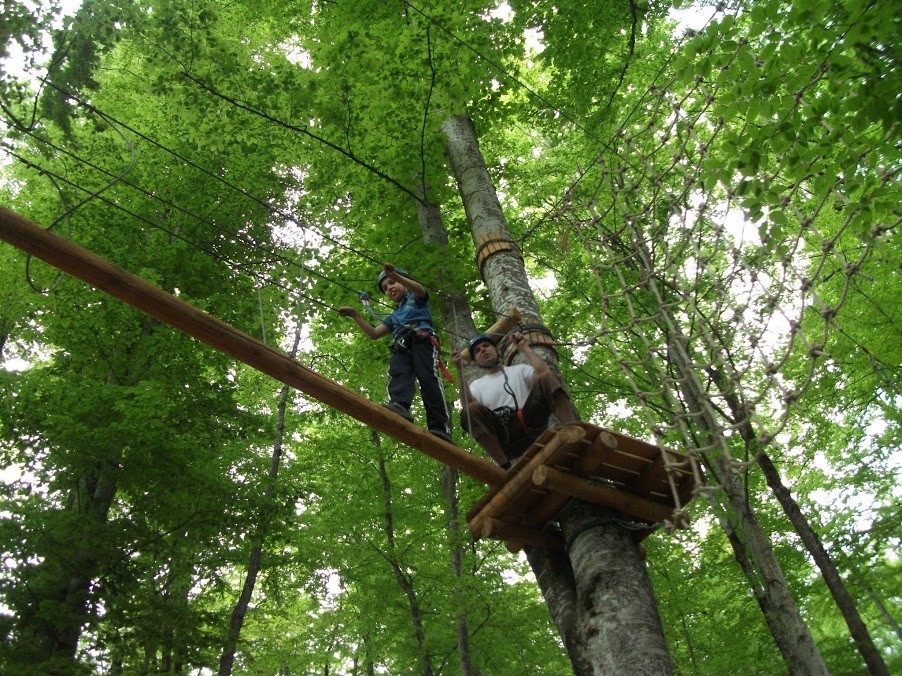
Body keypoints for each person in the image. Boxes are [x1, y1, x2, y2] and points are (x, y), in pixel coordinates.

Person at [338, 263, 452, 443]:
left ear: (405, 283)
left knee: (428, 377)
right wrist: (356, 315)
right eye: (385, 287)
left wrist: (396, 276)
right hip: (402, 344)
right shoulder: (393, 316)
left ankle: (439, 427)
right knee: (398, 372)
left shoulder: (416, 298)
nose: (389, 288)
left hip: (422, 339)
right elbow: (374, 334)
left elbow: (420, 289)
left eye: (392, 283)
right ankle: (399, 406)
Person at [451, 332, 578, 468]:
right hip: (505, 435)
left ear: (496, 350)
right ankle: (504, 466)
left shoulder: (519, 370)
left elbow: (544, 374)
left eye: (486, 346)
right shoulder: (476, 385)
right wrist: (460, 370)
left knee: (546, 377)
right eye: (477, 350)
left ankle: (575, 430)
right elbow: (468, 409)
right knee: (471, 410)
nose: (483, 350)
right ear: (475, 361)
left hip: (531, 422)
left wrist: (524, 347)